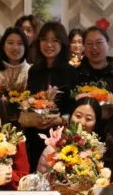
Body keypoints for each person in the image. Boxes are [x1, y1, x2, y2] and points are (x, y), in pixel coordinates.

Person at [26, 21, 79, 168]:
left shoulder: (70, 71)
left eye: (55, 40)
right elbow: (29, 101)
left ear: (62, 43)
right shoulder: (34, 71)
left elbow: (74, 107)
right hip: (35, 135)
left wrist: (60, 120)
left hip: (60, 137)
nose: (49, 45)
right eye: (44, 39)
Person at [36, 97, 104, 174]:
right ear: (70, 116)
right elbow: (40, 177)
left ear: (96, 124)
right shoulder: (53, 148)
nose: (82, 122)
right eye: (78, 116)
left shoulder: (99, 152)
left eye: (88, 119)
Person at [77, 26, 113, 95]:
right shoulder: (75, 74)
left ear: (108, 44)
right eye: (89, 43)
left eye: (99, 43)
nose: (94, 47)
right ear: (84, 46)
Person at [0, 27, 31, 92]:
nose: (15, 48)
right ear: (3, 46)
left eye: (20, 43)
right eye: (10, 43)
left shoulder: (31, 72)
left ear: (25, 47)